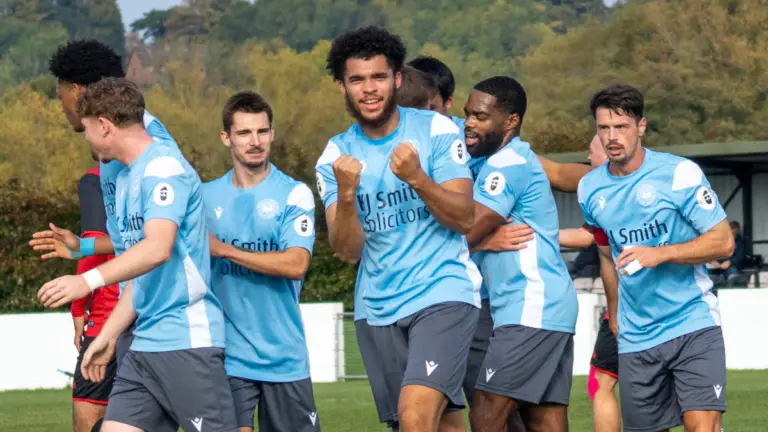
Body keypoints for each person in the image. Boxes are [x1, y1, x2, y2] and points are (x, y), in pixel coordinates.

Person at [38, 77, 237, 432]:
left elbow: (157, 250)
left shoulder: (164, 168)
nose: (84, 137)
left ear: (103, 125)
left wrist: (86, 280)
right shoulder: (127, 178)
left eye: (85, 129)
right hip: (143, 345)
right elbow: (140, 274)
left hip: (185, 344)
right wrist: (108, 336)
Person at [316, 26, 482, 432]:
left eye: (378, 76)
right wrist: (348, 194)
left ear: (397, 79)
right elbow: (347, 250)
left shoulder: (436, 131)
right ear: (342, 87)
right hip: (377, 310)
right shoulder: (335, 156)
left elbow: (464, 217)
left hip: (443, 293)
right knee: (441, 424)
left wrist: (419, 179)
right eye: (357, 79)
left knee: (415, 415)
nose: (369, 89)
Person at [578, 83, 734, 432]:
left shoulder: (679, 173)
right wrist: (614, 313)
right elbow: (606, 255)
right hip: (637, 338)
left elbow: (723, 242)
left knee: (702, 426)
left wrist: (661, 254)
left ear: (641, 127)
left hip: (692, 323)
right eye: (604, 128)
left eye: (622, 127)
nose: (612, 137)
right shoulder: (590, 189)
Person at [30, 39, 177, 369]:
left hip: (167, 318)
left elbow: (163, 242)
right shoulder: (111, 150)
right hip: (134, 310)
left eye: (61, 95)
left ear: (79, 91)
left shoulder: (150, 149)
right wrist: (84, 247)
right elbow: (137, 237)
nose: (62, 106)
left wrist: (85, 285)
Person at [461, 76, 577, 432]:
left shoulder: (506, 165)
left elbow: (470, 230)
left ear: (511, 121)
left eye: (480, 116)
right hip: (547, 306)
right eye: (466, 114)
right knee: (542, 417)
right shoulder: (513, 159)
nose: (468, 123)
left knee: (486, 408)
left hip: (531, 305)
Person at [202, 91, 320, 432]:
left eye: (262, 131)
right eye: (244, 133)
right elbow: (157, 238)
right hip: (227, 355)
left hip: (283, 355)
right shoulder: (205, 198)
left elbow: (295, 263)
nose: (255, 141)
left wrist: (225, 250)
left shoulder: (293, 193)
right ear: (227, 138)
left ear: (272, 133)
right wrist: (89, 248)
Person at [557, 135, 621, 432]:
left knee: (601, 382)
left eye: (591, 151)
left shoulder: (607, 195)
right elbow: (586, 235)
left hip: (626, 304)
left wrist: (538, 233)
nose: (587, 156)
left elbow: (586, 237)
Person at [70, 163, 120, 432]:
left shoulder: (96, 180)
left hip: (107, 318)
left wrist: (78, 309)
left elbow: (93, 244)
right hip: (154, 320)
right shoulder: (162, 172)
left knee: (89, 414)